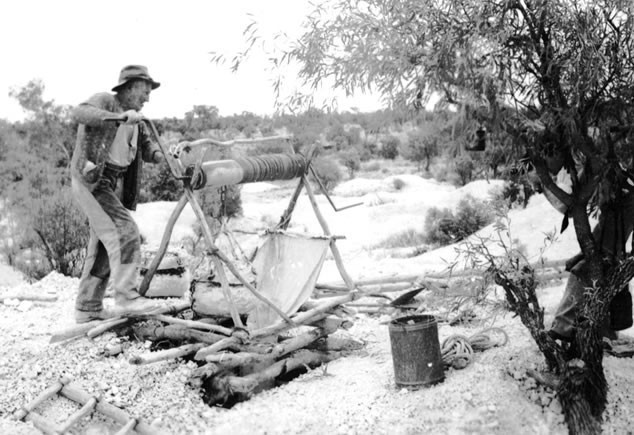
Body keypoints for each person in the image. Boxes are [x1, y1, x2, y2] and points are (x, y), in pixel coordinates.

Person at [70, 65, 166, 323]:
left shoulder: (137, 120)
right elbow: (79, 112)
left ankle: (87, 308)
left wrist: (166, 156)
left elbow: (148, 149)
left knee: (103, 245)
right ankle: (127, 299)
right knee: (125, 232)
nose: (147, 98)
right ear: (130, 87)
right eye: (144, 92)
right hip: (92, 180)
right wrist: (118, 118)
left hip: (111, 185)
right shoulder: (106, 102)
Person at [542, 152, 634, 342]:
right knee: (588, 280)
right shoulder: (618, 183)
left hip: (607, 249)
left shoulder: (624, 190)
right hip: (603, 246)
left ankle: (563, 328)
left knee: (580, 274)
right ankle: (597, 332)